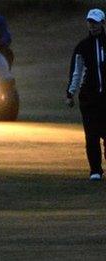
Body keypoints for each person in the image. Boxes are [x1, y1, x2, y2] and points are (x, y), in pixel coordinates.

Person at [66, 9, 106, 181]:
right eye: (90, 23)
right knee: (91, 135)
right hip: (89, 98)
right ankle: (95, 170)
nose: (93, 26)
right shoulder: (83, 46)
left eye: (96, 23)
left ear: (103, 23)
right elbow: (76, 72)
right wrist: (70, 92)